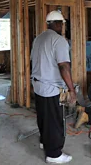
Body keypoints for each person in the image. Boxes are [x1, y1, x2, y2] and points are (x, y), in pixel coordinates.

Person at [31, 10, 76, 164]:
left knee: (44, 117)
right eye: (62, 23)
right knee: (55, 120)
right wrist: (71, 89)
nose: (63, 26)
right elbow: (63, 66)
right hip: (51, 88)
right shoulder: (59, 40)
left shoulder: (38, 38)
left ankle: (45, 141)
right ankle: (54, 154)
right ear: (58, 24)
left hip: (38, 85)